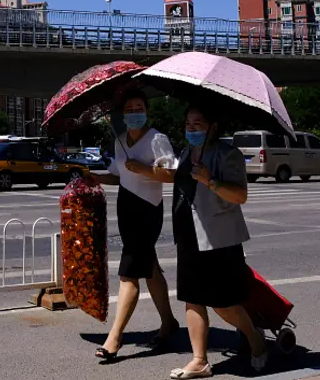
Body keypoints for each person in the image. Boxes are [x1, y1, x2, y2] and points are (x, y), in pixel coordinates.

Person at [168, 105, 268, 378]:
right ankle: (200, 360)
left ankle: (255, 339)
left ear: (213, 127)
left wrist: (210, 181)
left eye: (198, 123)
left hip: (219, 239)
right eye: (188, 123)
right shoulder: (186, 153)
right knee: (192, 298)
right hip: (189, 235)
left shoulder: (228, 155)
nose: (191, 128)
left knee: (223, 303)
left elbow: (240, 196)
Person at [86, 88, 179, 359]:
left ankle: (114, 338)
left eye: (140, 108)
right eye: (130, 110)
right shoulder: (120, 141)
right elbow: (120, 176)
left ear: (146, 112)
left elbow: (171, 174)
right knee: (150, 268)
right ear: (122, 115)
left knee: (129, 272)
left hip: (147, 211)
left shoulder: (156, 139)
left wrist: (145, 169)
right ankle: (169, 323)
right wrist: (97, 178)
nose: (135, 113)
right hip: (126, 207)